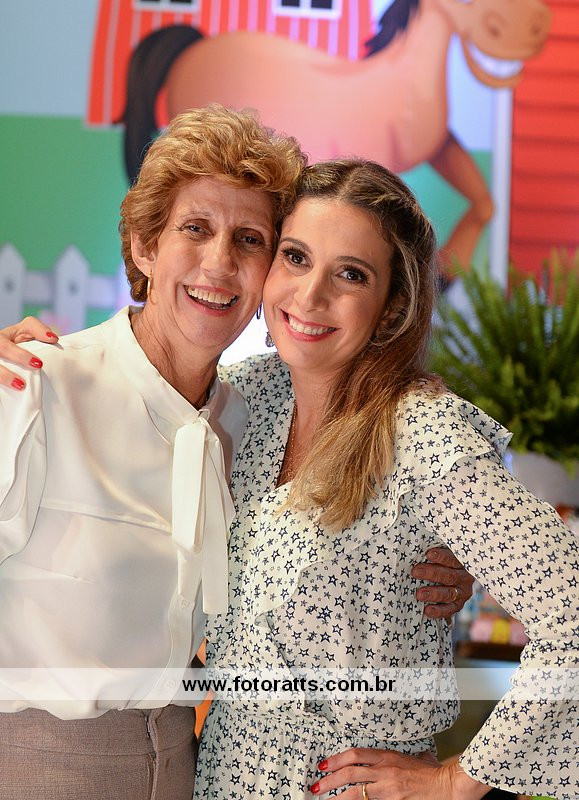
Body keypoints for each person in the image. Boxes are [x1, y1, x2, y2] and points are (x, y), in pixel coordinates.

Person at [0, 114, 471, 799]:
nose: (220, 263)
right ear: (143, 246)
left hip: (189, 769)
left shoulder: (251, 414)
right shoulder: (35, 388)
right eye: (195, 228)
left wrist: (438, 552)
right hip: (35, 766)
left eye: (250, 240)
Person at [190, 160, 576, 799]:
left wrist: (456, 782)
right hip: (223, 777)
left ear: (393, 305)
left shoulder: (424, 433)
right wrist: (37, 360)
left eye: (351, 274)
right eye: (295, 257)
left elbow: (572, 614)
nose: (310, 296)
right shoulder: (244, 397)